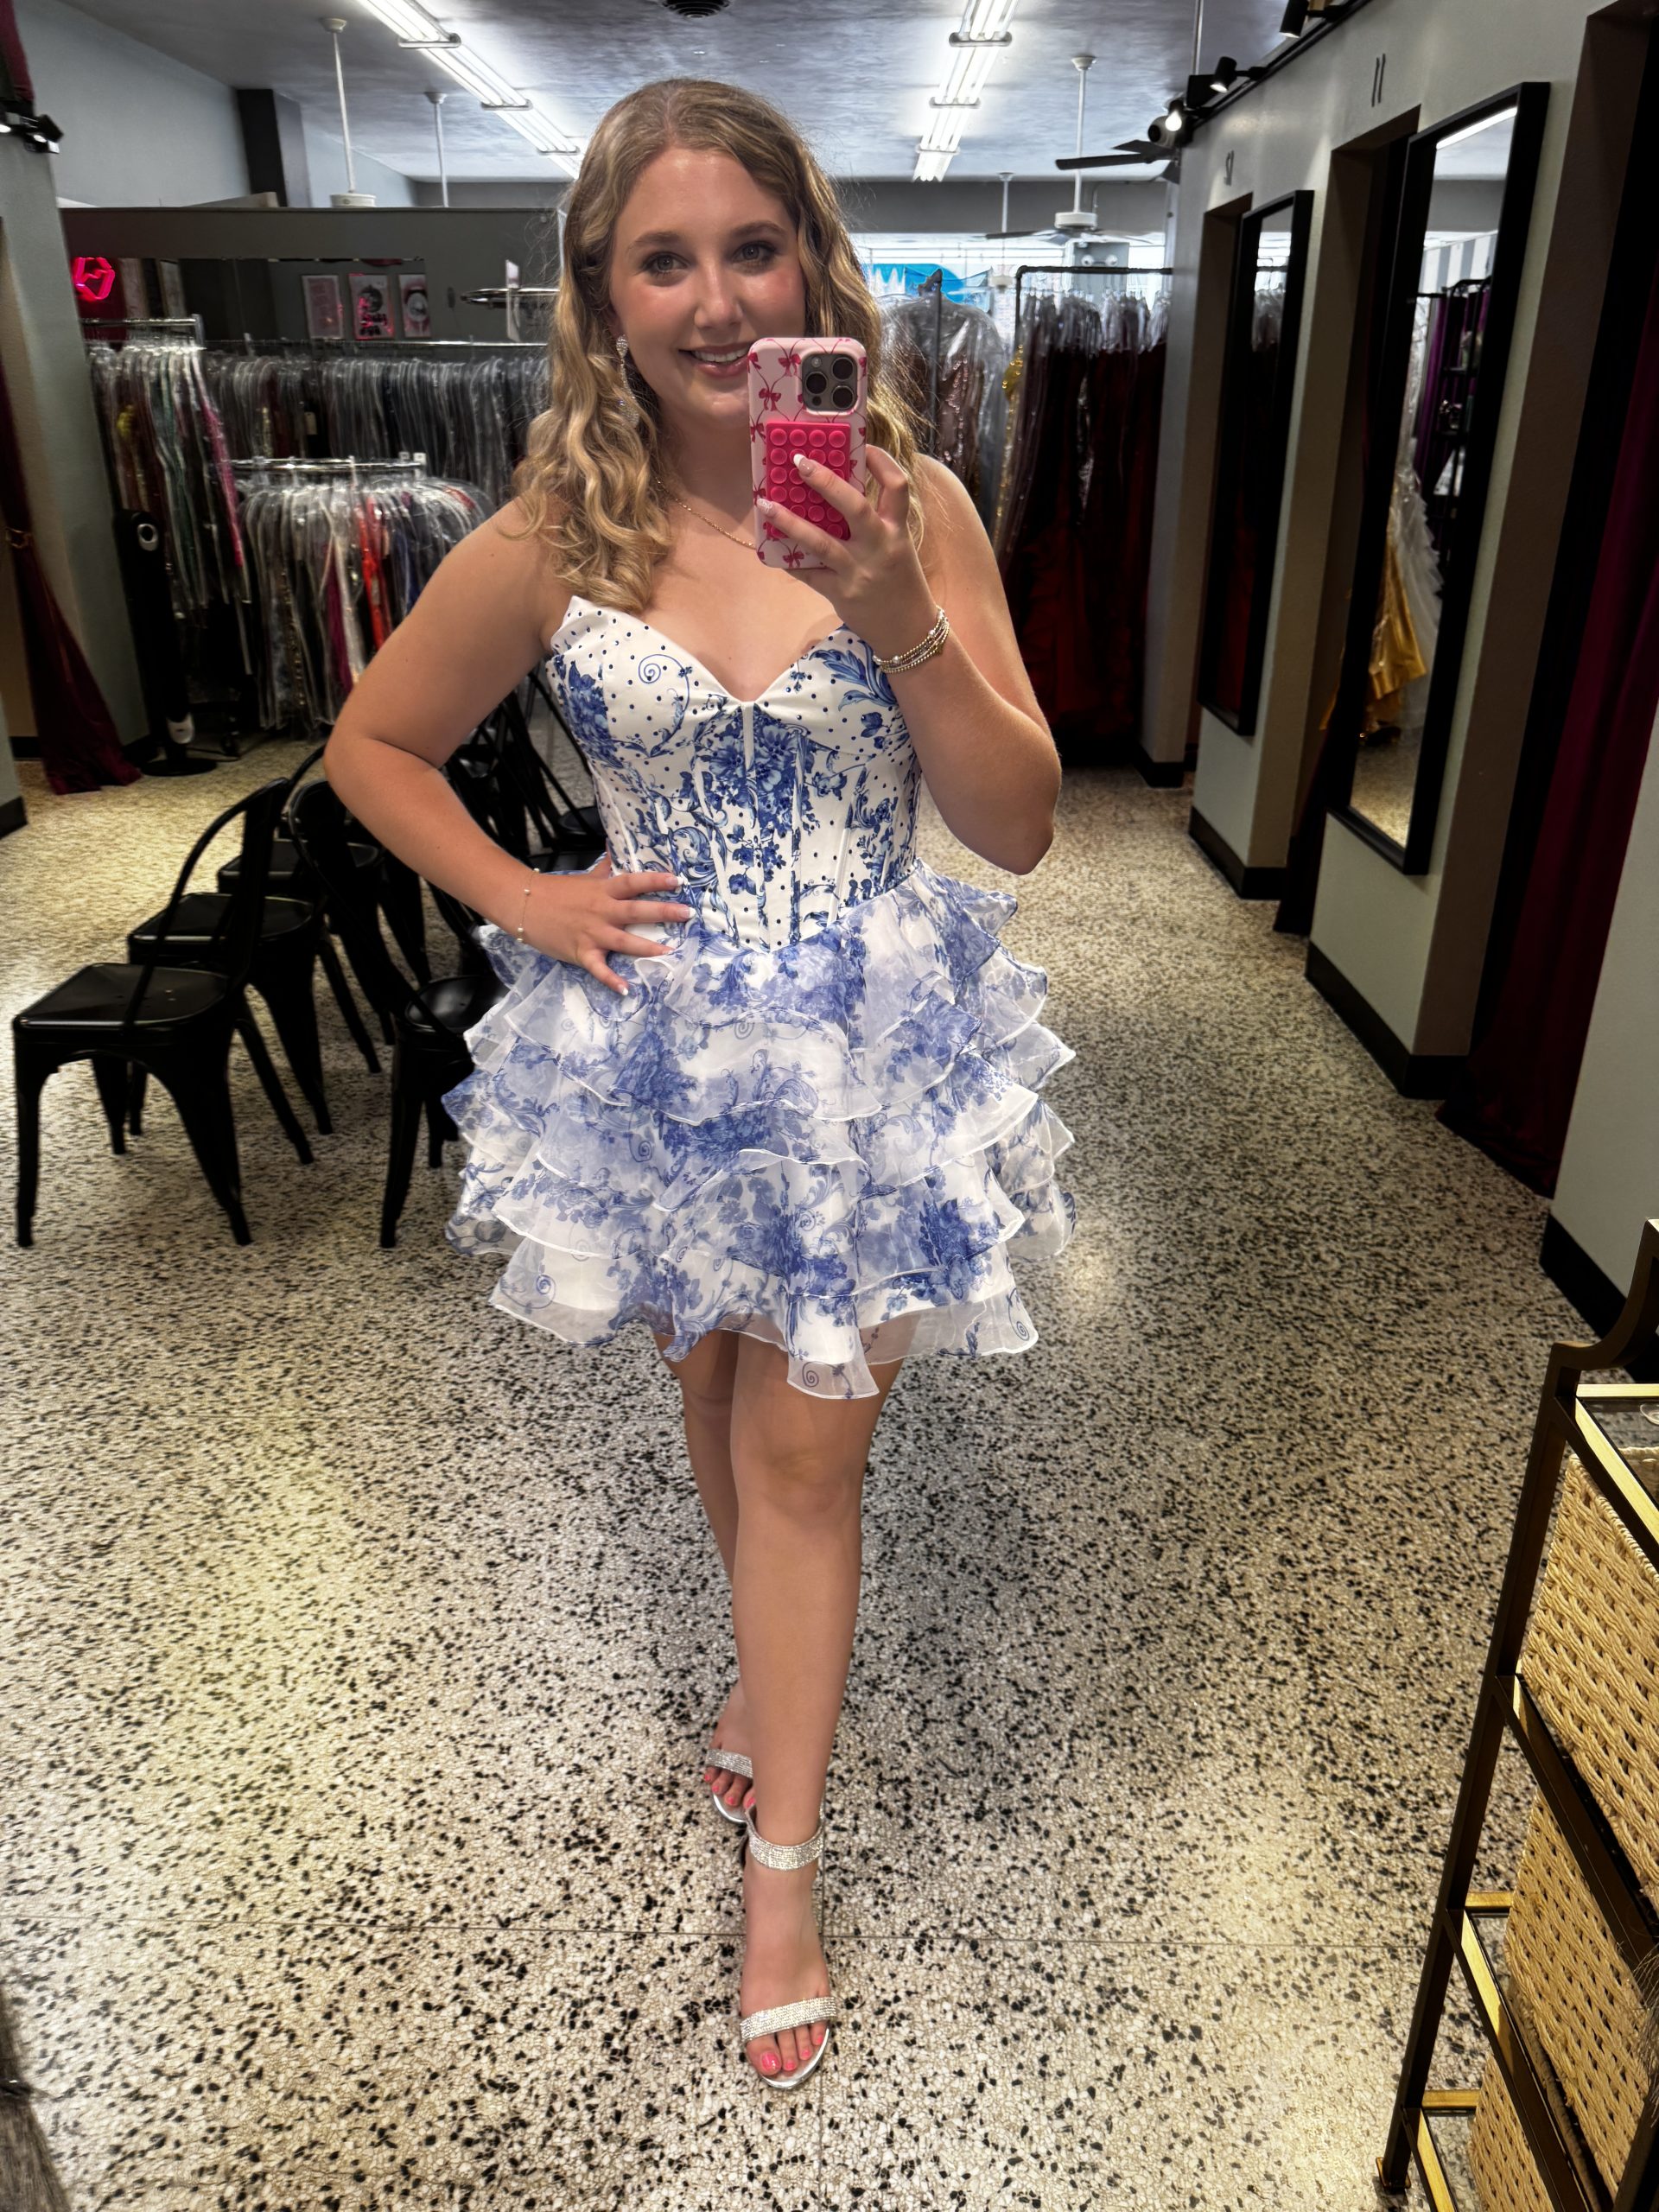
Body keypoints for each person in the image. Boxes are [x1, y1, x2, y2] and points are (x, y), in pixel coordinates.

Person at [324, 76, 1077, 2093]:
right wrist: (528, 893)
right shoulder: (556, 530)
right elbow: (373, 744)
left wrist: (899, 619)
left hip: (864, 1057)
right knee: (715, 1389)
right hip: (659, 1055)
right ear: (604, 296)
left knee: (809, 1456)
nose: (720, 299)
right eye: (666, 260)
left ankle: (783, 1872)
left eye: (754, 248)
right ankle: (764, 1682)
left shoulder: (911, 506)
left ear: (814, 262)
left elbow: (1019, 823)